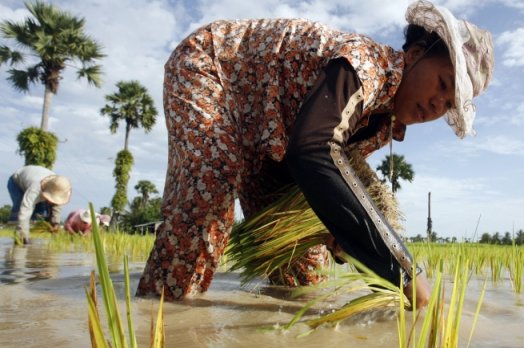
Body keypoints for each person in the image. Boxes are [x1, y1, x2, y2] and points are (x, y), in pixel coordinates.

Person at [137, 0, 494, 308]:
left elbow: (335, 185)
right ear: (415, 55)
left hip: (271, 140)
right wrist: (404, 271)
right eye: (442, 84)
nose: (436, 104)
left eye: (448, 104)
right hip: (213, 70)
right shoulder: (366, 65)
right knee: (209, 195)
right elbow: (313, 150)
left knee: (302, 270)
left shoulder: (384, 124)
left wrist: (370, 268)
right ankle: (162, 317)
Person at [7, 165, 72, 244]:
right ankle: (19, 236)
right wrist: (23, 234)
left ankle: (29, 235)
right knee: (19, 209)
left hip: (33, 178)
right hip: (16, 183)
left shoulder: (58, 185)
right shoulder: (35, 190)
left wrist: (55, 223)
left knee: (41, 214)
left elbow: (57, 205)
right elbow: (25, 210)